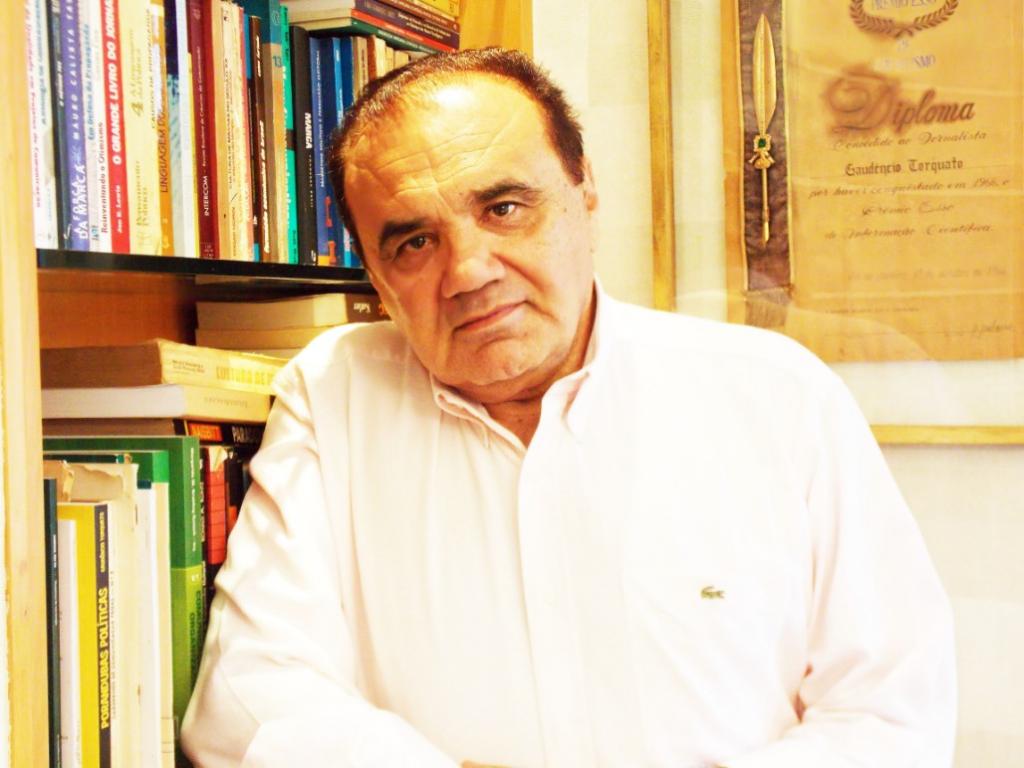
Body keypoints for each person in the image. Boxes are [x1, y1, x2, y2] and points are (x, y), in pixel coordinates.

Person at [181, 48, 956, 767]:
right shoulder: (335, 394)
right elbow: (249, 702)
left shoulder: (776, 395)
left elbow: (891, 713)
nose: (469, 271)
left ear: (585, 195)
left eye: (504, 208)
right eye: (414, 243)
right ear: (377, 282)